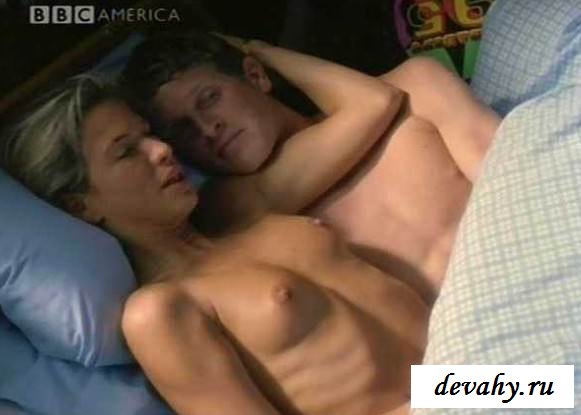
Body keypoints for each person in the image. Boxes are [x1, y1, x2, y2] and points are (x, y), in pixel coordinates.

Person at [1, 46, 427, 415]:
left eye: (149, 135)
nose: (162, 150)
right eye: (128, 151)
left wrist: (254, 49)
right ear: (80, 206)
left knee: (428, 81)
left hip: (457, 376)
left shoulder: (235, 206)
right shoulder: (161, 313)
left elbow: (373, 105)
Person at [123, 31, 501, 302]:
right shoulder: (230, 209)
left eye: (209, 99)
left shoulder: (416, 88)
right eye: (183, 129)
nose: (208, 129)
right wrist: (263, 51)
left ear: (255, 75)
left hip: (525, 271)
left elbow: (513, 179)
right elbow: (373, 103)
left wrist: (262, 52)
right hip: (461, 362)